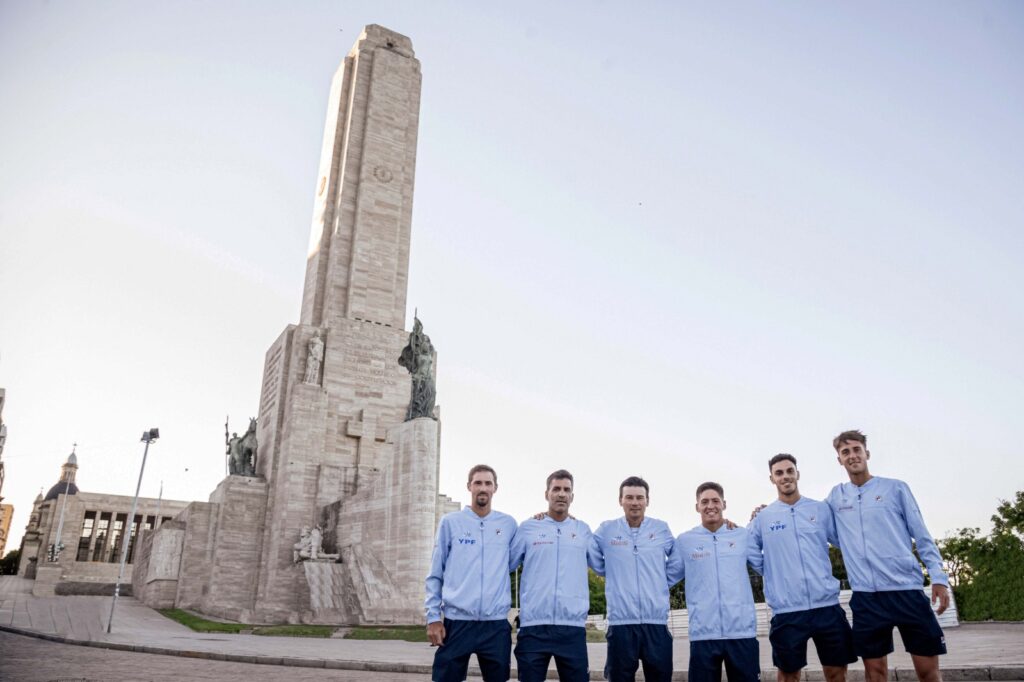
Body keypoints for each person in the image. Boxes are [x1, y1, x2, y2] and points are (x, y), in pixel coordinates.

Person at [826, 430, 950, 682]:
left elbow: (922, 534)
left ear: (866, 453)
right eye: (845, 452)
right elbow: (817, 525)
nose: (852, 456)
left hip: (906, 591)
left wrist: (938, 577)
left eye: (857, 450)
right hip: (867, 598)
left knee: (928, 673)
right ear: (839, 460)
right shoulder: (835, 497)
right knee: (876, 673)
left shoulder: (895, 488)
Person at [748, 454, 857, 682]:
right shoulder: (763, 517)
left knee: (837, 673)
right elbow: (750, 551)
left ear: (797, 474)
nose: (785, 476)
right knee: (788, 675)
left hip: (827, 607)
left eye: (789, 471)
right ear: (772, 479)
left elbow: (842, 541)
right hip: (787, 611)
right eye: (779, 473)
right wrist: (773, 572)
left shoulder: (820, 509)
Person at [425, 464, 518, 682]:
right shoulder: (451, 523)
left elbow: (511, 563)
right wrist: (432, 617)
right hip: (457, 623)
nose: (483, 488)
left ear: (495, 488)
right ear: (469, 486)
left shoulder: (508, 525)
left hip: (495, 626)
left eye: (488, 483)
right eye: (478, 483)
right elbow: (435, 573)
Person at [590, 476, 680, 682]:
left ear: (647, 500)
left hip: (656, 623)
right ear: (620, 500)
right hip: (621, 624)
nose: (635, 502)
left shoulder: (660, 528)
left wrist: (661, 582)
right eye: (629, 497)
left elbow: (678, 559)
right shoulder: (607, 529)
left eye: (640, 497)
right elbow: (589, 551)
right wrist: (610, 572)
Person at [509, 469, 593, 681]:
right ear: (547, 494)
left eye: (567, 490)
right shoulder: (528, 528)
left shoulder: (583, 530)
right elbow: (506, 565)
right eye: (556, 489)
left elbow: (603, 566)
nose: (561, 494)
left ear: (572, 496)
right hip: (533, 628)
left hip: (571, 629)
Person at [674, 482, 759, 682]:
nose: (710, 506)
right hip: (703, 635)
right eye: (704, 502)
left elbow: (767, 565)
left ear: (724, 504)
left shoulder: (742, 535)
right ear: (697, 507)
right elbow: (666, 577)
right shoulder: (685, 541)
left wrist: (761, 517)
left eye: (715, 501)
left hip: (741, 633)